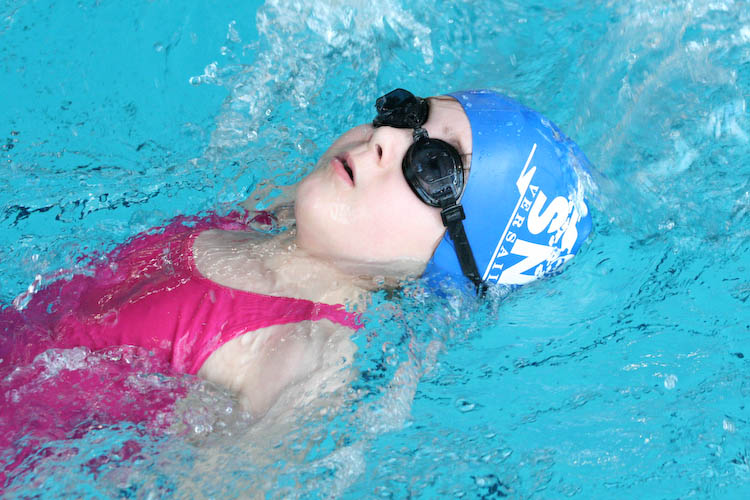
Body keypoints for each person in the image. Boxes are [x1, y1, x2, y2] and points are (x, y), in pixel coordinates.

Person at [1, 88, 592, 437]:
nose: (387, 138)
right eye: (410, 113)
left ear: (453, 258)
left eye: (434, 166)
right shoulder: (272, 211)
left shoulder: (307, 355)